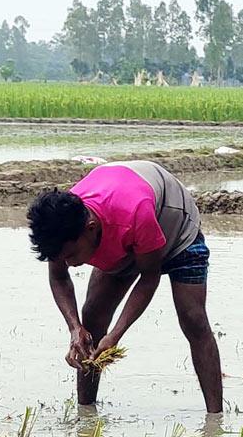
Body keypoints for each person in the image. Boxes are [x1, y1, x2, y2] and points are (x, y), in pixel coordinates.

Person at [25, 160, 221, 413]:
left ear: (91, 229)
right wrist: (75, 328)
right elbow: (59, 278)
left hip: (175, 227)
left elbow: (150, 277)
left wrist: (116, 334)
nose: (70, 264)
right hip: (124, 237)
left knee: (193, 319)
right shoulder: (59, 226)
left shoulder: (134, 213)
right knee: (92, 317)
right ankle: (86, 412)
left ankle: (215, 418)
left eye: (72, 255)